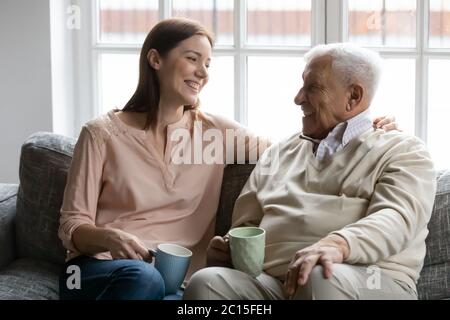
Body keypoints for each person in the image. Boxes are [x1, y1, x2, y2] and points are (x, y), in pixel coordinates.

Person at [58, 17, 397, 300]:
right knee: (143, 280)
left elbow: (294, 148)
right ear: (155, 59)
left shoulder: (215, 134)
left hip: (175, 282)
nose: (203, 72)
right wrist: (111, 238)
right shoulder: (101, 134)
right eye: (192, 58)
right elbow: (72, 225)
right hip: (99, 271)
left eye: (207, 63)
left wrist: (364, 125)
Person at [184, 43, 436, 300]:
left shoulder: (404, 151)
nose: (298, 98)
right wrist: (229, 249)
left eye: (312, 88)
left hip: (371, 278)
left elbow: (397, 218)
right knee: (207, 283)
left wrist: (338, 245)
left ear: (353, 97)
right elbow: (247, 223)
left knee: (319, 278)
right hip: (276, 283)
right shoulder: (279, 152)